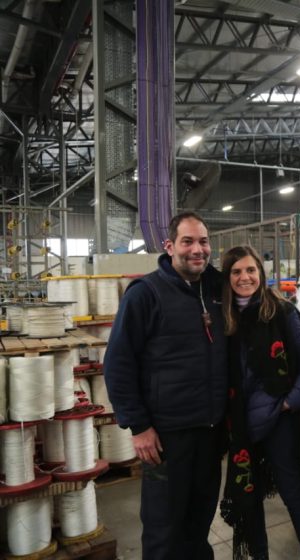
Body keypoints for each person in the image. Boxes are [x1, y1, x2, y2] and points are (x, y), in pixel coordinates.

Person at [104, 212, 227, 559]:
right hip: (167, 437)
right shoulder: (146, 294)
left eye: (203, 241)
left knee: (199, 523)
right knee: (164, 529)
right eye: (188, 241)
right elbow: (118, 364)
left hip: (211, 432)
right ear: (169, 246)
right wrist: (139, 426)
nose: (197, 249)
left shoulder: (217, 291)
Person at [218, 246, 300, 560]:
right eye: (236, 271)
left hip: (279, 418)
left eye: (251, 270)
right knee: (249, 498)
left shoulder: (282, 312)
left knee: (293, 493)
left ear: (261, 274)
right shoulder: (224, 319)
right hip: (241, 424)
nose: (244, 277)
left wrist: (291, 402)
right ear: (227, 278)